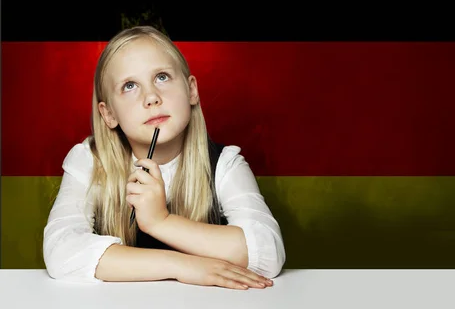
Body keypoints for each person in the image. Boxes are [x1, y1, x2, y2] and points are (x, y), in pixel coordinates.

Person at [43, 26, 285, 289]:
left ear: (191, 90)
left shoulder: (225, 163)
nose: (151, 98)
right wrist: (181, 265)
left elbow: (268, 254)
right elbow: (61, 250)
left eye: (161, 77)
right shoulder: (89, 161)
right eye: (130, 85)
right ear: (108, 114)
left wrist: (161, 221)